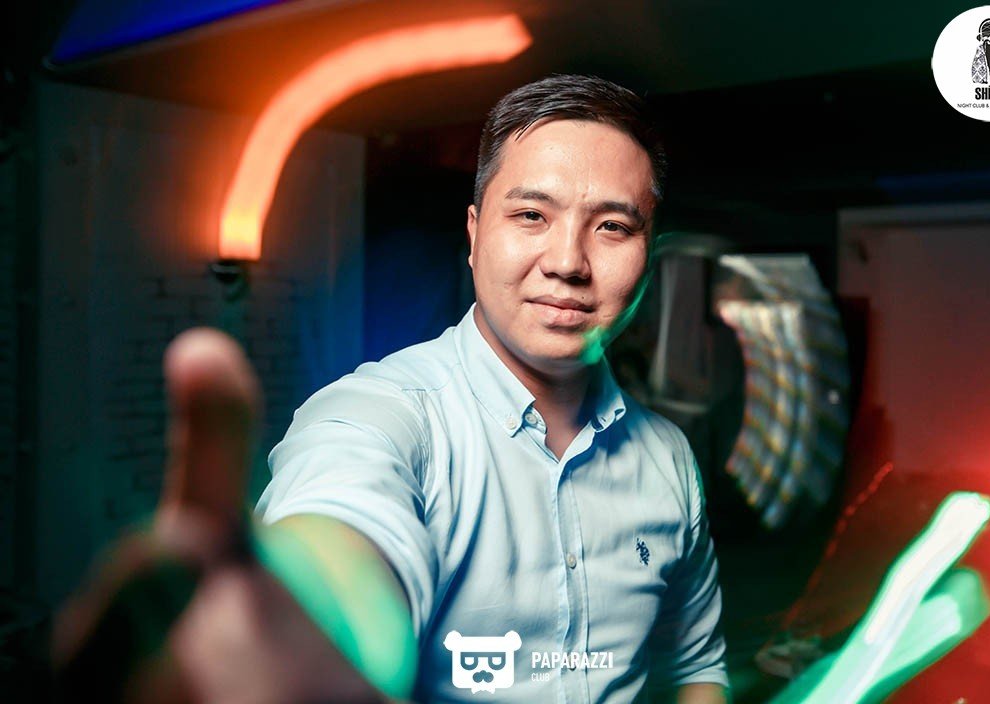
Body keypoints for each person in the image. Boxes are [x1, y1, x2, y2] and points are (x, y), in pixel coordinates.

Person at [54, 75, 728, 704]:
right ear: (474, 235)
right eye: (531, 215)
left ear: (649, 256)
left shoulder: (667, 458)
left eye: (612, 227)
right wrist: (305, 615)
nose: (567, 262)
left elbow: (696, 664)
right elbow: (345, 529)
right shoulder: (381, 415)